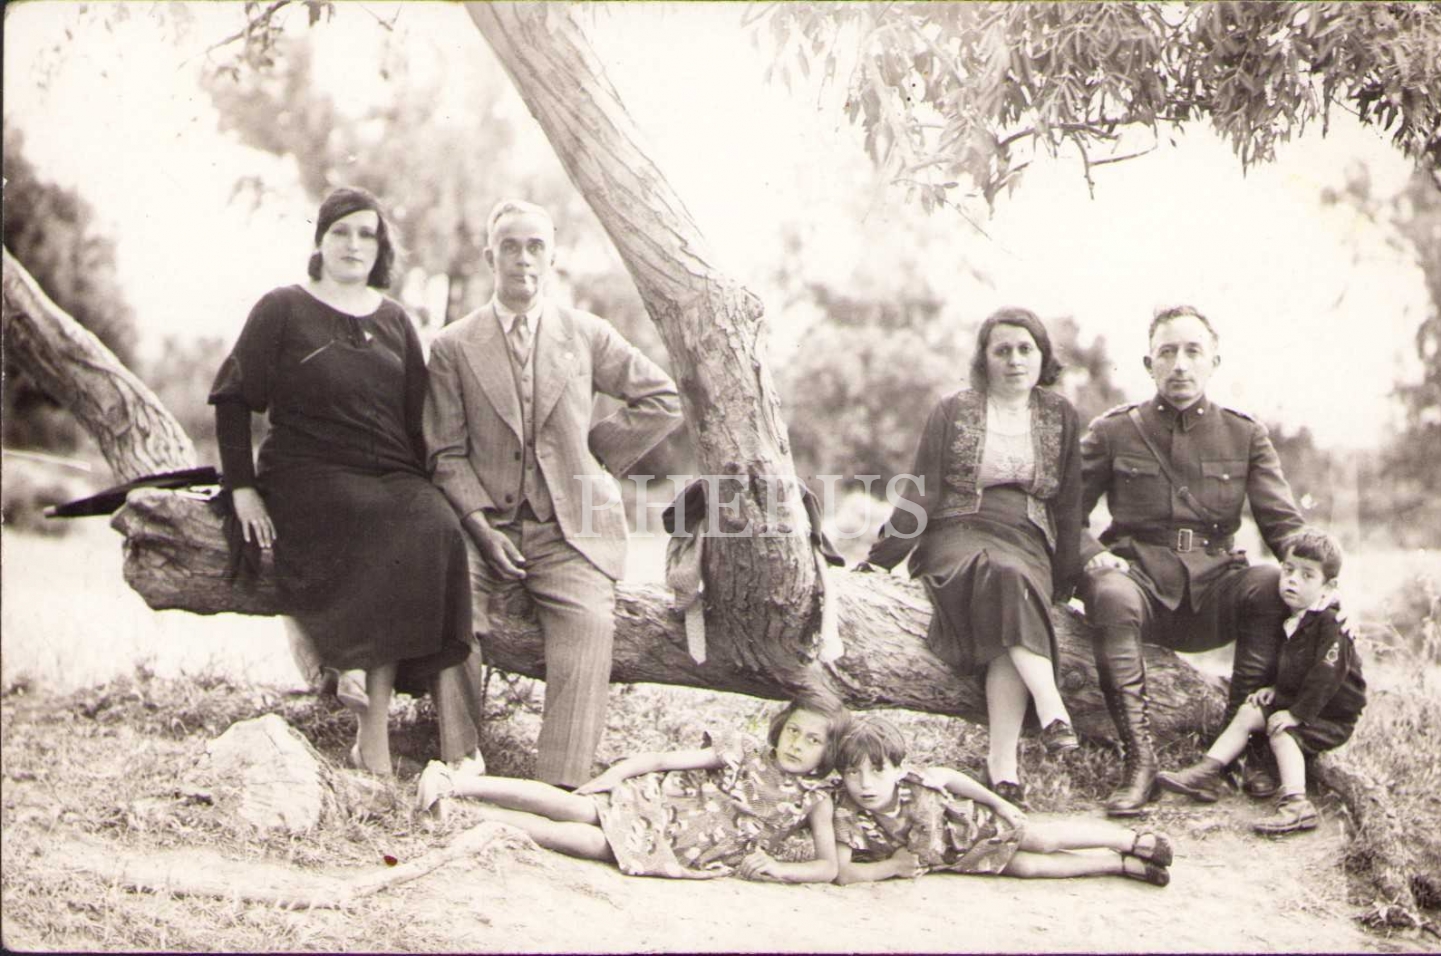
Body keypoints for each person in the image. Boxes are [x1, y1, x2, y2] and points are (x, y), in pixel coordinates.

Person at [209, 186, 483, 777]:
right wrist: (242, 488)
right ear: (320, 241)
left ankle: (364, 706)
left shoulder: (396, 320)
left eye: (366, 234)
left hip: (388, 470)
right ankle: (363, 712)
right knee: (376, 516)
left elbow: (417, 420)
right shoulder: (282, 308)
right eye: (341, 232)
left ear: (381, 248)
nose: (354, 244)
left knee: (433, 524)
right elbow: (233, 399)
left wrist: (436, 488)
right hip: (307, 471)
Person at [424, 199, 681, 790]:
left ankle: (557, 788)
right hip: (485, 528)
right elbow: (445, 452)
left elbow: (663, 399)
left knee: (589, 628)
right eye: (510, 247)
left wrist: (594, 455)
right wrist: (481, 528)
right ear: (489, 257)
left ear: (553, 256)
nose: (523, 259)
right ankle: (462, 766)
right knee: (450, 608)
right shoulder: (453, 346)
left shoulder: (587, 334)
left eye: (535, 246)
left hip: (572, 530)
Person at [1077, 304, 1310, 817]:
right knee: (1110, 593)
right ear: (1149, 364)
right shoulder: (1113, 431)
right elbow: (1064, 514)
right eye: (1167, 352)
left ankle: (1233, 754)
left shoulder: (1245, 435)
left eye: (1192, 351)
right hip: (1138, 585)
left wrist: (1319, 576)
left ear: (1214, 362)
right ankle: (1139, 763)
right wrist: (1092, 555)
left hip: (1214, 591)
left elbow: (1283, 524)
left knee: (1270, 583)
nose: (1180, 364)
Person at [860, 308, 1084, 807]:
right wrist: (881, 558)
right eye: (1002, 350)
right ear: (984, 358)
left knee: (1011, 581)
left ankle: (1002, 768)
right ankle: (1051, 709)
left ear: (1043, 356)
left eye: (1025, 349)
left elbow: (1070, 504)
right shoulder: (953, 410)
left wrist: (1066, 579)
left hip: (1026, 536)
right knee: (1002, 576)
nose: (1014, 360)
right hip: (955, 534)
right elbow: (922, 491)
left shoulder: (1061, 416)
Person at [415, 695, 849, 882]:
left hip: (677, 848)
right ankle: (456, 783)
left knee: (588, 842)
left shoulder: (815, 799)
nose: (797, 744)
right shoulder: (746, 750)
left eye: (813, 740)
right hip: (655, 804)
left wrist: (779, 869)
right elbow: (662, 761)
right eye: (793, 731)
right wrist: (614, 776)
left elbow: (828, 867)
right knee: (575, 807)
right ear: (780, 728)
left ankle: (462, 813)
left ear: (828, 752)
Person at [1159, 529, 1365, 835]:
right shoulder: (1293, 615)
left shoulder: (1331, 624)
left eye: (1307, 575)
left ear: (1329, 586)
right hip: (1302, 701)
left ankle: (1297, 805)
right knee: (1249, 711)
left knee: (1282, 732)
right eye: (1288, 570)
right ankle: (1207, 770)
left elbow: (1325, 677)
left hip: (1329, 715)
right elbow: (1295, 666)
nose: (1292, 580)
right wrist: (1276, 690)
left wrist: (1295, 714)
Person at [831, 717, 1173, 886]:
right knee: (1028, 868)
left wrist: (998, 803)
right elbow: (842, 872)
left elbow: (949, 776)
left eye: (877, 771)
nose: (865, 784)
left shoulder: (914, 779)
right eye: (852, 773)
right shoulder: (847, 812)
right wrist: (891, 867)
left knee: (1041, 839)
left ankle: (1130, 840)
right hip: (963, 858)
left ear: (898, 768)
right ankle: (1117, 864)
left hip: (979, 825)